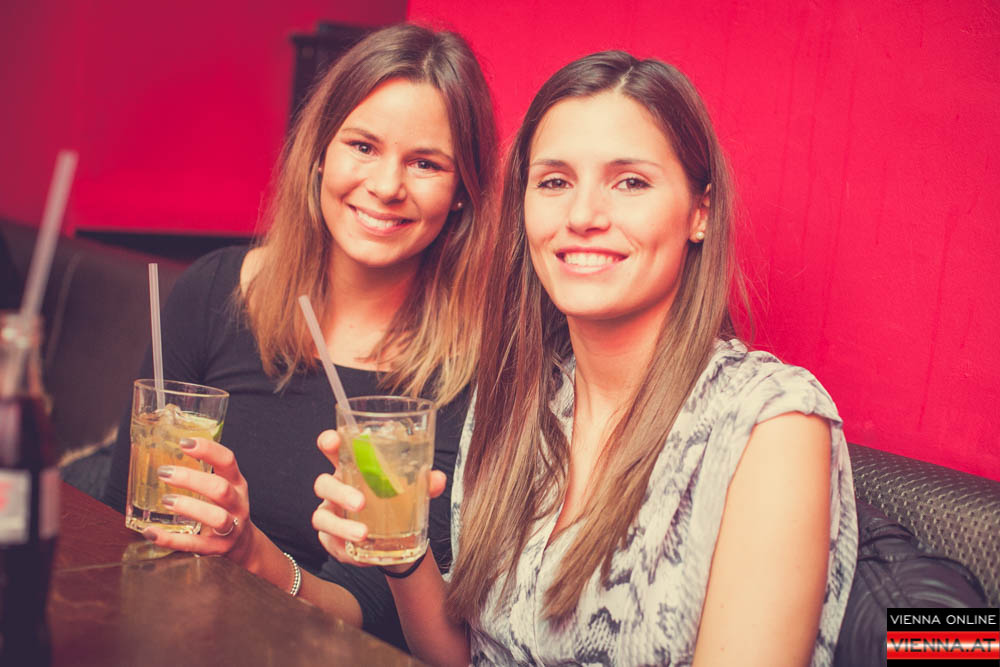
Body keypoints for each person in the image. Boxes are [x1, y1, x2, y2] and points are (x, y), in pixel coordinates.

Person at [313, 51, 858, 666]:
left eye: (630, 182)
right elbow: (467, 656)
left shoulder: (772, 422)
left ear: (700, 212)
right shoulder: (521, 393)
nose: (582, 216)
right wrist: (403, 553)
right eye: (555, 182)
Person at [102, 23, 497, 650]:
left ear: (461, 194)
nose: (387, 186)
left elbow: (375, 608)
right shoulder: (212, 292)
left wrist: (255, 556)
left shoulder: (475, 365)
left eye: (426, 163)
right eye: (362, 146)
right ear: (320, 152)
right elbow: (123, 506)